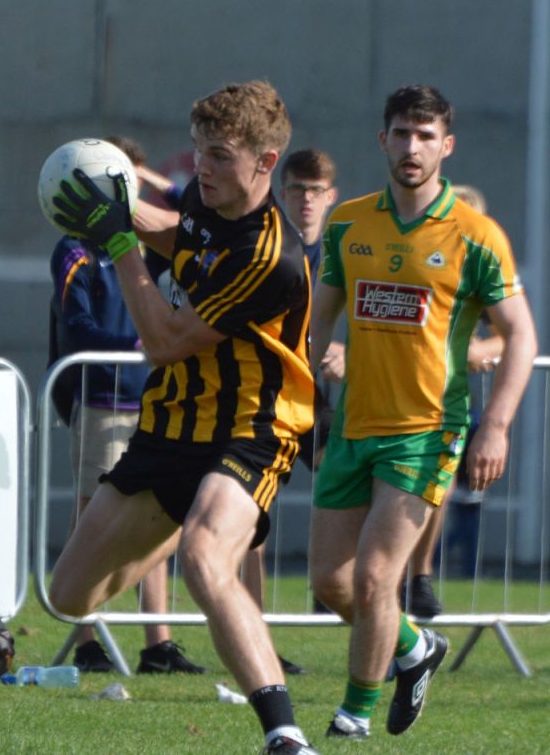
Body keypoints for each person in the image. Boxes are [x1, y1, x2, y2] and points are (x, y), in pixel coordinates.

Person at [48, 81, 319, 755]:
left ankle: (284, 734)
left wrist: (118, 245)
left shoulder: (271, 257)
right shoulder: (206, 196)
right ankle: (187, 522)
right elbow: (180, 233)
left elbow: (164, 340)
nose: (202, 167)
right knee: (69, 595)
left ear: (266, 161)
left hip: (251, 425)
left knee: (205, 557)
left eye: (221, 156)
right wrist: (120, 208)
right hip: (170, 425)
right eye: (198, 151)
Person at [309, 86, 537, 741]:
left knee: (379, 577)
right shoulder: (349, 223)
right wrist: (300, 396)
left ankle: (353, 716)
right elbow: (319, 320)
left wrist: (495, 424)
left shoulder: (476, 236)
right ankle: (415, 648)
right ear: (383, 140)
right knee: (332, 582)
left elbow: (521, 334)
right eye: (402, 134)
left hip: (428, 431)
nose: (412, 147)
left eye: (426, 135)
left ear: (447, 146)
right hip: (353, 427)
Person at [49, 135, 204, 676]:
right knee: (92, 513)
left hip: (154, 400)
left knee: (154, 515)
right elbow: (79, 325)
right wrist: (138, 346)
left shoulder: (148, 235)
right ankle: (87, 636)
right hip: (102, 400)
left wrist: (144, 175)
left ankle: (157, 644)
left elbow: (194, 210)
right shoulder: (75, 247)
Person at [239, 148, 343, 676]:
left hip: (319, 403)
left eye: (315, 191)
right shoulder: (264, 242)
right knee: (249, 521)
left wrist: (348, 352)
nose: (305, 200)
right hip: (264, 397)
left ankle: (348, 603)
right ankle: (255, 640)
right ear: (282, 191)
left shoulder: (344, 246)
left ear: (332, 197)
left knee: (354, 501)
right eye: (297, 189)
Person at [396, 183, 503, 617]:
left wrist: (480, 350)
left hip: (446, 405)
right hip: (390, 396)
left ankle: (418, 576)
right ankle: (387, 583)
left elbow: (512, 334)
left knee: (434, 491)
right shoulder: (413, 250)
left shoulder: (482, 260)